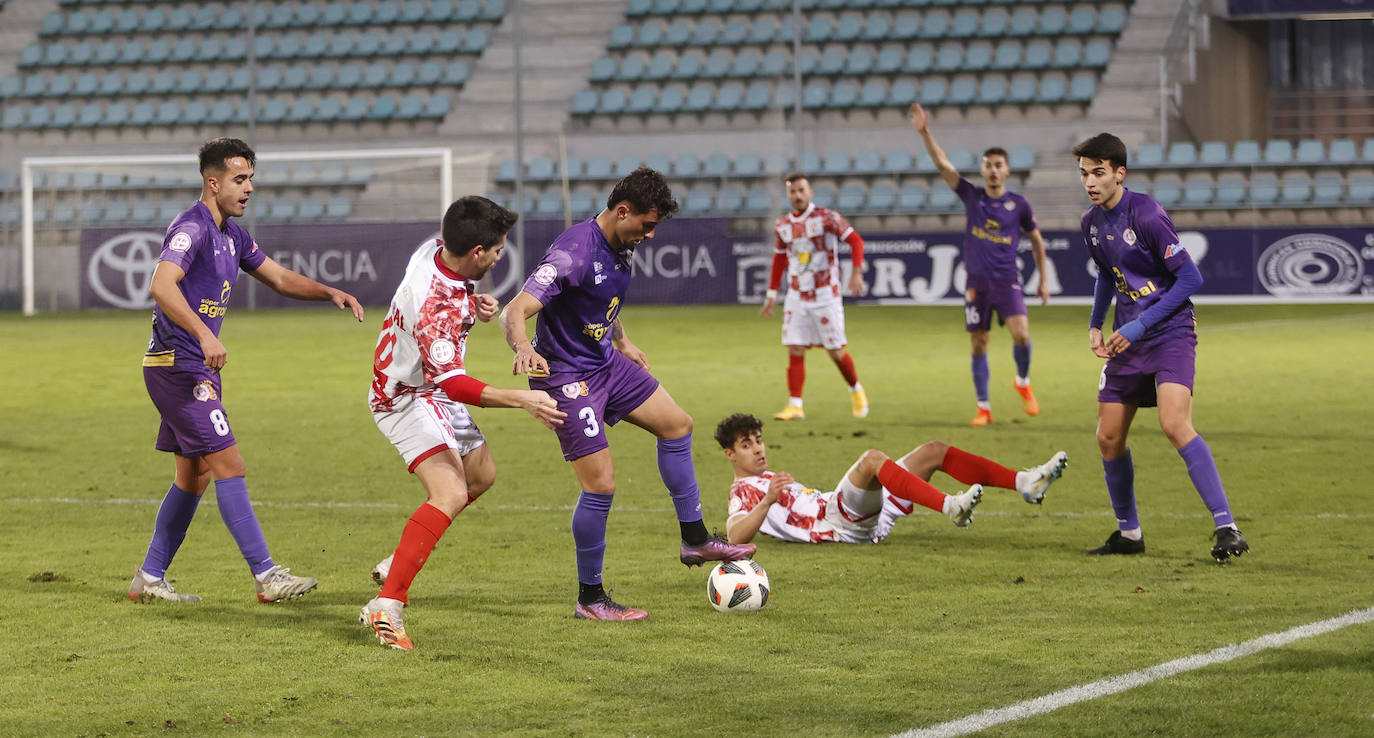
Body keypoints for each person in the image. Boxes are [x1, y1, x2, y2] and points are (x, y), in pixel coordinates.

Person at [499, 167, 756, 621]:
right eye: (647, 224)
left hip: (605, 362)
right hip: (564, 375)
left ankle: (695, 539)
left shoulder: (621, 243)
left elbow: (602, 301)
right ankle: (590, 599)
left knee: (677, 424)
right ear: (622, 211)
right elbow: (515, 309)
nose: (651, 235)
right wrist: (522, 347)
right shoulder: (573, 253)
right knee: (601, 485)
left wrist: (621, 340)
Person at [130, 137, 365, 604]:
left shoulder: (232, 235)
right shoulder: (191, 228)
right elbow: (161, 285)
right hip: (180, 367)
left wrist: (327, 292)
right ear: (212, 183)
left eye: (251, 179)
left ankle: (150, 578)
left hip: (193, 366)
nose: (249, 188)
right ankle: (266, 576)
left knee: (193, 476)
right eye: (240, 179)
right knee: (229, 464)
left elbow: (278, 277)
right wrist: (204, 334)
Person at [360, 196, 566, 650]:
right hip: (406, 397)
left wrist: (475, 305)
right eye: (496, 251)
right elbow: (452, 383)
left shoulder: (432, 251)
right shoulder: (434, 307)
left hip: (428, 386)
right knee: (450, 491)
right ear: (477, 251)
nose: (498, 258)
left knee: (481, 476)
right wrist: (522, 400)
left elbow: (452, 301)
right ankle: (386, 603)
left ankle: (402, 558)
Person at [1073, 132, 1249, 562]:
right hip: (1126, 338)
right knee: (1108, 436)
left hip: (1169, 331)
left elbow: (1190, 279)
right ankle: (1129, 534)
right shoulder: (1090, 224)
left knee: (1174, 423)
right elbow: (1105, 274)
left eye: (1098, 173)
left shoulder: (1146, 213)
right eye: (1084, 174)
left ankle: (1228, 528)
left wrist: (1141, 325)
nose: (1090, 182)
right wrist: (1096, 324)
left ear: (1120, 173)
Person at [714, 413, 1067, 545]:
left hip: (856, 515)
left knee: (933, 451)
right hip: (834, 523)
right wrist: (768, 500)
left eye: (758, 440)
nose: (758, 449)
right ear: (730, 454)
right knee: (871, 460)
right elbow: (734, 535)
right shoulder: (744, 490)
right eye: (747, 445)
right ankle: (950, 506)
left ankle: (1024, 482)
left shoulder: (769, 476)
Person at [909, 103, 1050, 427]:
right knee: (978, 342)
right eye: (988, 165)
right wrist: (925, 133)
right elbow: (943, 164)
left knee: (1022, 335)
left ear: (1007, 170)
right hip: (976, 284)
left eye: (998, 165)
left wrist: (1043, 280)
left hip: (1006, 281)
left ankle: (1023, 381)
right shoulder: (972, 196)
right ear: (983, 170)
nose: (993, 170)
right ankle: (983, 406)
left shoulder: (1019, 204)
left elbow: (1037, 240)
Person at [759, 172, 868, 421]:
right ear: (787, 195)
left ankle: (856, 390)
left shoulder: (826, 218)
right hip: (797, 295)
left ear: (810, 193)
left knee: (836, 352)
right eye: (792, 191)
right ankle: (795, 405)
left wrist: (856, 272)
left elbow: (856, 241)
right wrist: (772, 294)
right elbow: (779, 258)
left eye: (801, 190)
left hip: (825, 295)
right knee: (795, 348)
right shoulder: (783, 224)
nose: (797, 195)